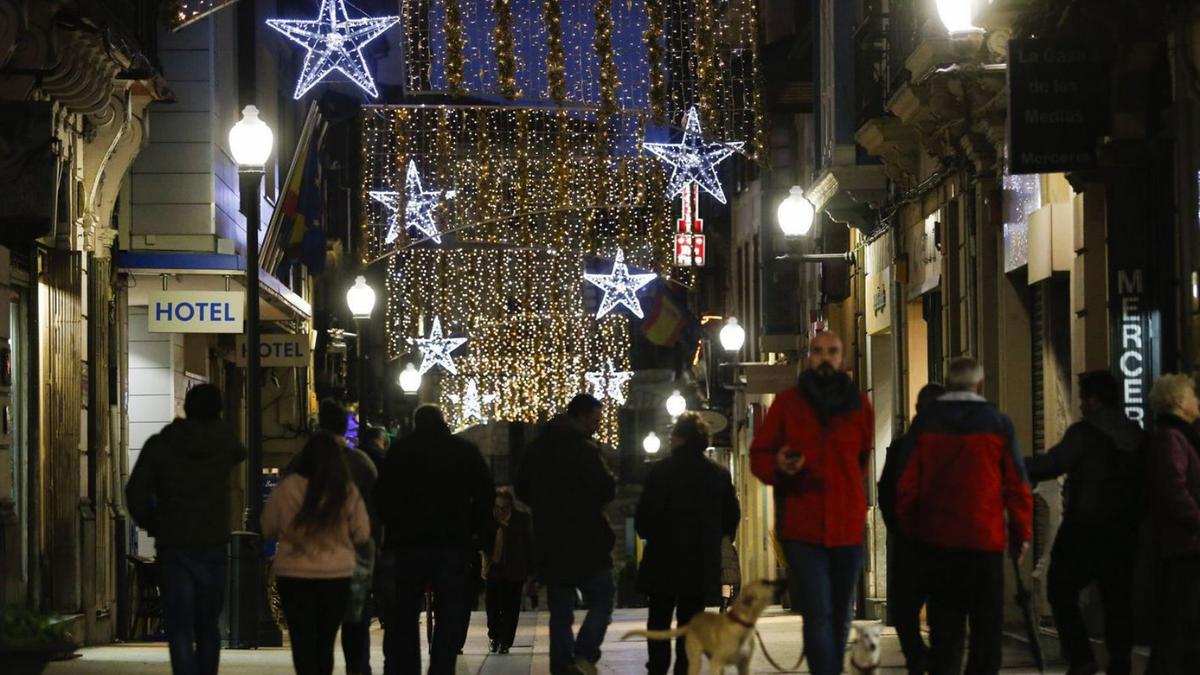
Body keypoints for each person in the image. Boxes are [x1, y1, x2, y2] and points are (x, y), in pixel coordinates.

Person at [896, 357, 1032, 675]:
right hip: (984, 542)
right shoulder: (999, 423)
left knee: (945, 631)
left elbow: (907, 487)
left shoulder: (926, 423)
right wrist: (1021, 534)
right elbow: (1018, 485)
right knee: (986, 632)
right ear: (980, 386)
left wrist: (914, 531)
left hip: (938, 542)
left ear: (946, 385)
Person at [748, 331, 873, 675]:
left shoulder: (860, 404)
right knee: (817, 612)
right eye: (818, 352)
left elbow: (861, 458)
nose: (824, 358)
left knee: (840, 612)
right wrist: (780, 465)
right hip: (803, 527)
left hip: (846, 528)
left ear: (842, 358)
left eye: (832, 351)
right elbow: (759, 455)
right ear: (809, 357)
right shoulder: (788, 404)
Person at [1025, 371, 1143, 675]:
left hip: (1084, 526)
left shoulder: (1084, 433)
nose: (1080, 405)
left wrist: (1015, 464)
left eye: (1082, 398)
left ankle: (1082, 659)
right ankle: (1120, 661)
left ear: (1092, 399)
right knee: (1116, 597)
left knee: (1060, 590)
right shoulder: (1135, 433)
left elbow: (1054, 463)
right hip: (1124, 528)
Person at [125, 383, 246, 675]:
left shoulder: (162, 444)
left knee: (179, 624)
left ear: (186, 408)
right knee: (208, 625)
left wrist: (153, 521)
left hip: (174, 543)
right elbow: (240, 450)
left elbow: (135, 493)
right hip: (213, 541)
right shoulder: (224, 441)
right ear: (217, 411)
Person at [374, 404, 495, 675]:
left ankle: (407, 668)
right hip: (453, 542)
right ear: (443, 422)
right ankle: (441, 667)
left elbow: (382, 497)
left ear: (416, 423)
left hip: (408, 543)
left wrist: (394, 529)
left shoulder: (401, 452)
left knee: (405, 612)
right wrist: (475, 532)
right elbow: (485, 496)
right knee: (450, 610)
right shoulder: (463, 452)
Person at [516, 394, 616, 675]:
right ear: (581, 417)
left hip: (550, 538)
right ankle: (583, 654)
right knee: (604, 594)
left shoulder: (537, 449)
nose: (597, 427)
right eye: (595, 421)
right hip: (587, 538)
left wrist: (545, 505)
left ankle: (561, 666)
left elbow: (522, 487)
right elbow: (606, 489)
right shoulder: (584, 450)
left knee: (560, 609)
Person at [635, 412, 740, 675]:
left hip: (663, 558)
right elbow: (730, 517)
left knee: (659, 619)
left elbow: (644, 518)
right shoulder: (718, 475)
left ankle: (657, 668)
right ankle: (684, 668)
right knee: (691, 621)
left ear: (679, 438)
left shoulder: (660, 472)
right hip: (700, 560)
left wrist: (653, 534)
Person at [262, 433, 371, 675]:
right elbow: (362, 532)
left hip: (294, 574)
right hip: (335, 574)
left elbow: (267, 525)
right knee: (325, 639)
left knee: (302, 640)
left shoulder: (288, 488)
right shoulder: (345, 491)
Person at [877, 382, 946, 675]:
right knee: (944, 609)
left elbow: (885, 493)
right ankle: (942, 662)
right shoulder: (954, 445)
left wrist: (897, 529)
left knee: (905, 611)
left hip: (911, 541)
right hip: (946, 542)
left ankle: (919, 657)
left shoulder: (902, 447)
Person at [1144, 373, 1200, 673]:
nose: (1197, 401)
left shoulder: (1179, 436)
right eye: (1193, 395)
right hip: (1183, 545)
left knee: (1185, 626)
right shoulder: (1172, 438)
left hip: (1184, 544)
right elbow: (1174, 488)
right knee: (1179, 624)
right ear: (1179, 401)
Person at [485, 488, 535, 654]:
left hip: (514, 570)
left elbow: (529, 545)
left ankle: (505, 641)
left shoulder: (521, 520)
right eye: (497, 508)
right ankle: (494, 636)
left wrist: (530, 572)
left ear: (510, 506)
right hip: (493, 569)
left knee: (511, 608)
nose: (500, 511)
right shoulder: (489, 520)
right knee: (492, 605)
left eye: (504, 507)